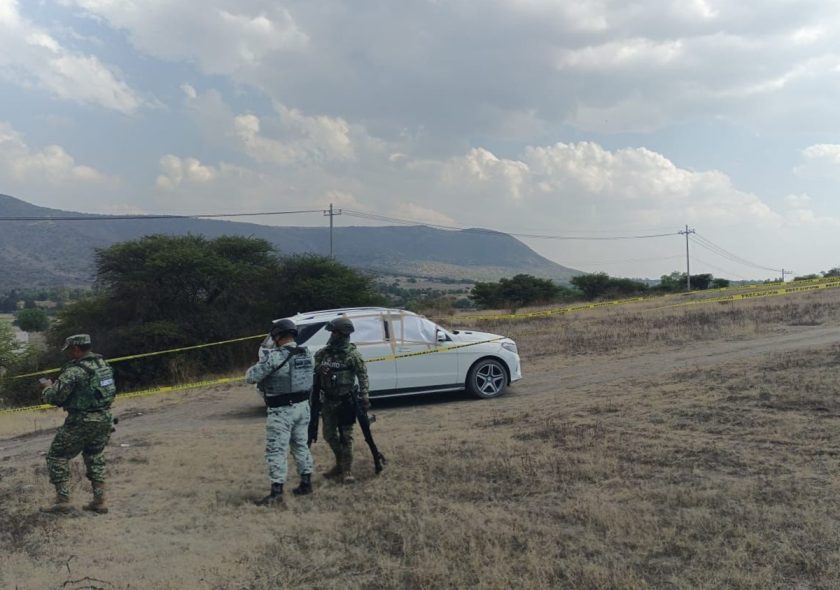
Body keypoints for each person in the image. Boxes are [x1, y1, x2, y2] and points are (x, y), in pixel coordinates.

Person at [39, 334, 116, 514]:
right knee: (95, 456)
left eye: (68, 350)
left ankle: (63, 501)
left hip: (81, 420)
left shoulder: (74, 371)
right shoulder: (102, 365)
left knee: (56, 456)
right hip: (104, 417)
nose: (67, 354)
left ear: (76, 348)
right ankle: (99, 500)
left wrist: (47, 387)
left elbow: (54, 397)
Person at [245, 319, 315, 505]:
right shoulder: (307, 354)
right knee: (301, 445)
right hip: (302, 407)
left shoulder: (274, 357)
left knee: (276, 450)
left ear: (277, 336)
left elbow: (250, 377)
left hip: (281, 410)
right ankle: (306, 482)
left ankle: (276, 492)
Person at [313, 316, 370, 484]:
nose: (331, 335)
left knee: (346, 436)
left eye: (334, 332)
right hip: (328, 401)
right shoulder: (324, 353)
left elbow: (363, 376)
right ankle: (340, 462)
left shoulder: (353, 355)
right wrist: (319, 368)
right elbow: (313, 364)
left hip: (346, 400)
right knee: (329, 435)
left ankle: (347, 470)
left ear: (343, 333)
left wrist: (365, 396)